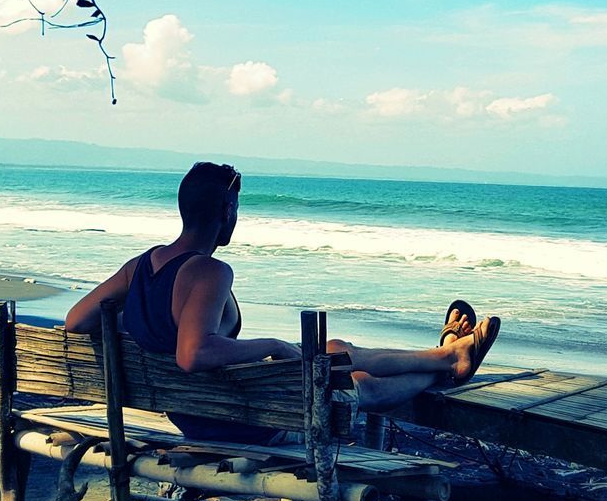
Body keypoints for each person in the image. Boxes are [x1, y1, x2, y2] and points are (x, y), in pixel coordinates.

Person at [64, 161, 501, 444]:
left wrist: (139, 327)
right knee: (359, 385)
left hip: (199, 410)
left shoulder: (137, 268)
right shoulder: (210, 271)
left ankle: (447, 355)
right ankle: (447, 368)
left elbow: (75, 320)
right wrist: (271, 343)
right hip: (238, 421)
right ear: (228, 212)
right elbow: (192, 354)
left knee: (333, 352)